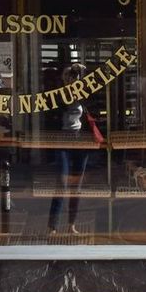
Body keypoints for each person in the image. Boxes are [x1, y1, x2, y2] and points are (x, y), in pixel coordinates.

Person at [47, 62, 92, 233]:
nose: (71, 81)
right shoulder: (59, 97)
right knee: (62, 183)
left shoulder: (83, 96)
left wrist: (83, 72)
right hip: (63, 139)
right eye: (68, 78)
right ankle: (53, 226)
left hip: (80, 139)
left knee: (76, 186)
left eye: (74, 78)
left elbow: (94, 86)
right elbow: (53, 112)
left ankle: (71, 224)